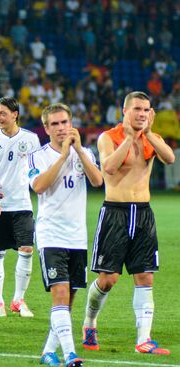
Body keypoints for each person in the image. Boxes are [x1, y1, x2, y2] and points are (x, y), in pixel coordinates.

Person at [82, 91, 175, 355]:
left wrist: (148, 136)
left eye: (146, 110)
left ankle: (143, 340)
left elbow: (170, 158)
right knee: (108, 279)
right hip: (115, 213)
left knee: (145, 276)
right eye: (137, 109)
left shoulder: (151, 139)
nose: (142, 114)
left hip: (143, 213)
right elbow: (108, 167)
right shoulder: (108, 137)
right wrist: (131, 139)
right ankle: (90, 322)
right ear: (124, 111)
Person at [29, 103, 102, 367]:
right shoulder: (39, 156)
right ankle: (70, 354)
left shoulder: (85, 154)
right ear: (46, 128)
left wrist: (79, 150)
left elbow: (97, 181)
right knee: (59, 294)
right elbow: (38, 186)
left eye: (65, 123)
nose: (61, 128)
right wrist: (62, 156)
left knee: (68, 300)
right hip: (51, 235)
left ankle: (49, 352)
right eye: (55, 124)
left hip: (77, 237)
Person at [0, 97, 41, 318]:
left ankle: (18, 299)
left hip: (22, 204)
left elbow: (37, 168)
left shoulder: (31, 139)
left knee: (26, 250)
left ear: (15, 114)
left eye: (3, 113)